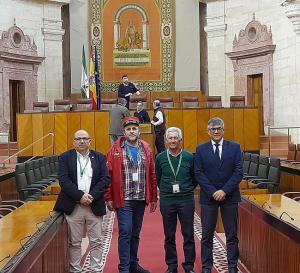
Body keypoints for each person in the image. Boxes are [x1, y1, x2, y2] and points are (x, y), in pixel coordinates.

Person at [105, 116, 157, 273]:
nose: (132, 131)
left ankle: (133, 265)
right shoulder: (114, 150)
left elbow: (152, 174)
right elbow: (108, 175)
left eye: (134, 129)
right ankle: (124, 268)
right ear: (124, 132)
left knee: (135, 234)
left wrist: (153, 197)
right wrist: (108, 197)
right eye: (128, 129)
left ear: (139, 131)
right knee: (126, 232)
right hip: (124, 199)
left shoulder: (146, 148)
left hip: (140, 198)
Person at [54, 129, 110, 273]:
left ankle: (96, 269)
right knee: (75, 242)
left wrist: (91, 196)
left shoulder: (99, 157)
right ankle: (75, 270)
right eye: (78, 139)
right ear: (73, 142)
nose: (82, 141)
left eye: (85, 138)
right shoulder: (65, 157)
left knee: (96, 241)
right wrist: (80, 196)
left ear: (90, 141)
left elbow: (105, 179)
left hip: (94, 204)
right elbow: (64, 180)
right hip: (74, 206)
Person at [194, 117, 243, 273]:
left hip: (230, 196)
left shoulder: (235, 147)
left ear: (223, 129)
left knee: (231, 235)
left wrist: (224, 191)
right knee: (207, 235)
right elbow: (198, 173)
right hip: (209, 198)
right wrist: (213, 191)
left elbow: (238, 172)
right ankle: (207, 267)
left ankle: (232, 267)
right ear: (208, 131)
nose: (216, 131)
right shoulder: (201, 149)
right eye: (213, 129)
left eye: (218, 128)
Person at [155, 127, 196, 273]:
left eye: (175, 138)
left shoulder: (189, 157)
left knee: (188, 234)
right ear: (166, 141)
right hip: (167, 200)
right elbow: (158, 178)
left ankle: (189, 266)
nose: (172, 141)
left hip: (186, 199)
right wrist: (166, 189)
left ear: (180, 140)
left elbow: (194, 178)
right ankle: (172, 266)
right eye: (170, 138)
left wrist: (185, 188)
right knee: (169, 235)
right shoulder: (160, 158)